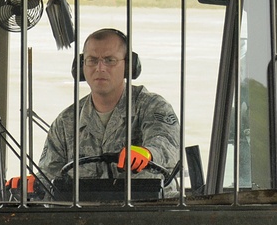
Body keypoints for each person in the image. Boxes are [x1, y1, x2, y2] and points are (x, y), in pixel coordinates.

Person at [38, 28, 181, 196]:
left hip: (147, 215)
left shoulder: (152, 107)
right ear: (80, 66)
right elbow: (47, 178)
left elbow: (167, 145)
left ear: (129, 65)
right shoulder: (66, 122)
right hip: (84, 218)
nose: (100, 68)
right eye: (92, 60)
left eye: (109, 60)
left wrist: (148, 153)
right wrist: (31, 185)